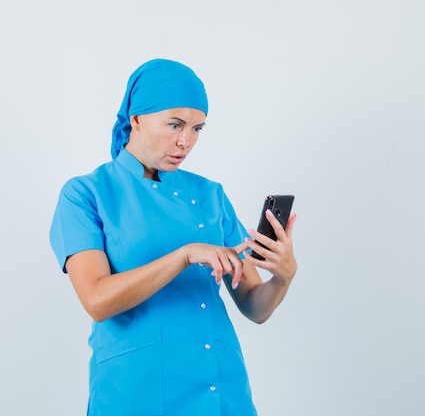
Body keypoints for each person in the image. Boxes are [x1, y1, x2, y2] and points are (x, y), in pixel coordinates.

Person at [49, 58, 297, 416]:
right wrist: (185, 254)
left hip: (221, 390)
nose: (186, 141)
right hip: (136, 392)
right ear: (135, 118)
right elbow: (96, 299)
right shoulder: (87, 194)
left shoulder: (210, 195)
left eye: (198, 128)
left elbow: (255, 307)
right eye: (175, 124)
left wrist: (282, 276)